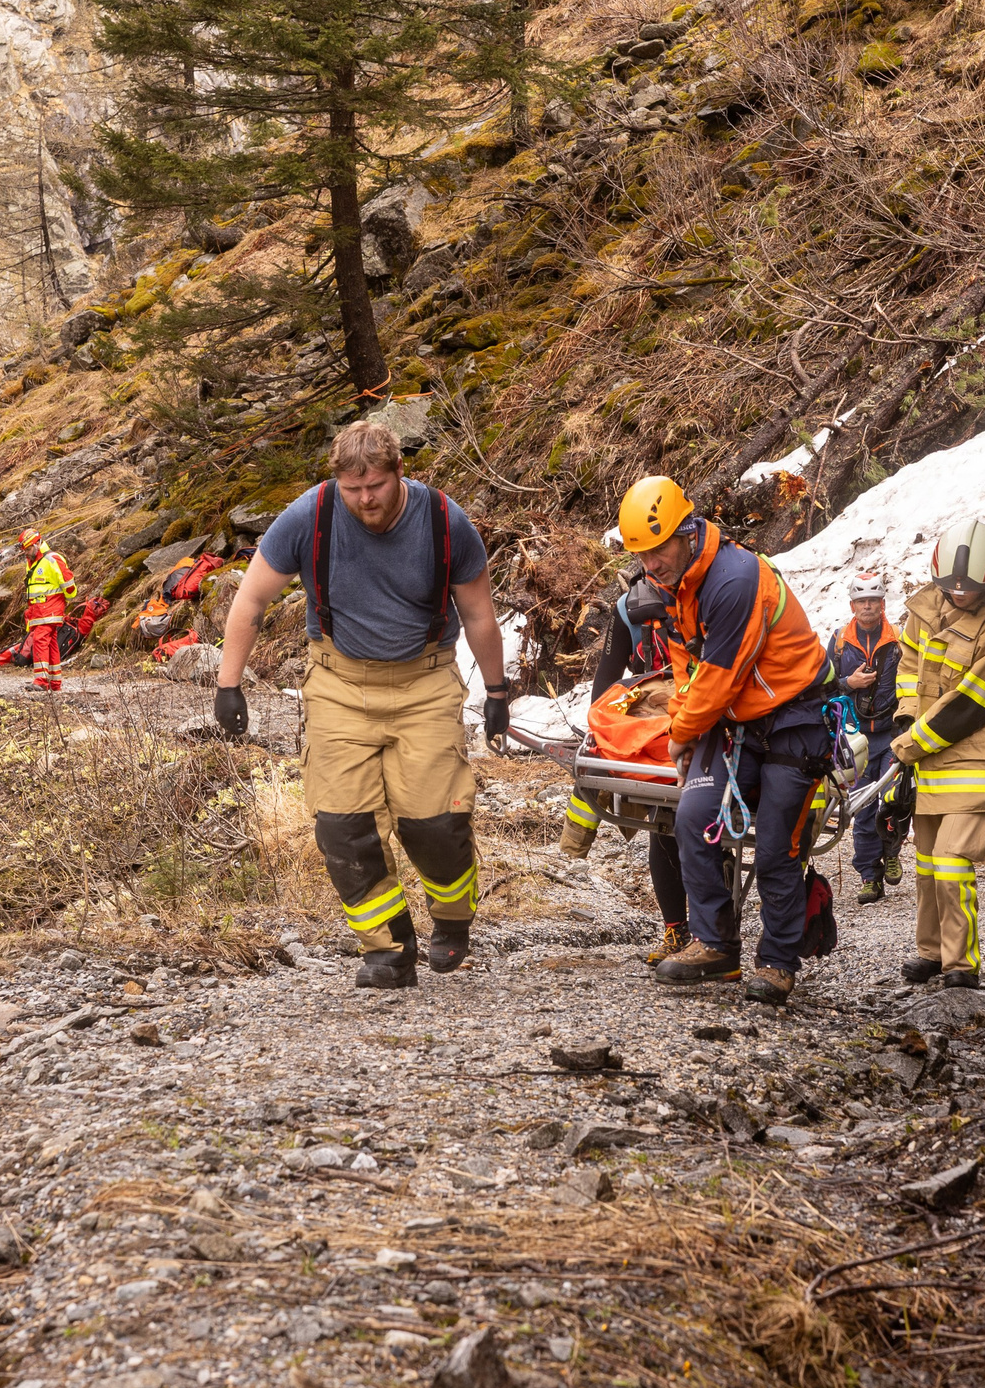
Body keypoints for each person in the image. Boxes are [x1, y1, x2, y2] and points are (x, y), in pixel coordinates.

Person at [213, 421, 506, 990]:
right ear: (338, 482)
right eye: (353, 489)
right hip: (339, 683)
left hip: (424, 683)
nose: (366, 499)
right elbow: (251, 598)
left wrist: (496, 692)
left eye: (376, 485)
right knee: (342, 826)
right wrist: (229, 684)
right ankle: (388, 949)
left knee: (434, 823)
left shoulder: (444, 522)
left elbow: (478, 615)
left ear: (400, 472)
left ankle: (452, 916)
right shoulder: (309, 516)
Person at [622, 475, 834, 1008]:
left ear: (686, 532)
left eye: (657, 550)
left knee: (776, 847)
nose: (651, 564)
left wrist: (681, 734)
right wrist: (684, 720)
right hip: (736, 724)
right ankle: (715, 944)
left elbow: (720, 677)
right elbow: (685, 666)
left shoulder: (734, 579)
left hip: (794, 718)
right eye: (641, 555)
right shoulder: (674, 586)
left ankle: (778, 961)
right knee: (692, 817)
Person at [892, 519, 985, 990]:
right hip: (928, 754)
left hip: (974, 758)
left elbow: (968, 707)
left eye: (970, 588)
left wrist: (910, 744)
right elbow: (910, 667)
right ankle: (932, 952)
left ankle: (961, 964)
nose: (960, 594)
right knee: (927, 864)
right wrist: (906, 717)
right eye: (952, 586)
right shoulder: (925, 609)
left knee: (951, 861)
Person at [558, 553, 692, 965]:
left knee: (688, 829)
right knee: (665, 830)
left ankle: (710, 933)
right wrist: (602, 733)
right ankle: (678, 929)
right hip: (657, 735)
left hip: (706, 721)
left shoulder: (716, 593)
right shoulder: (629, 609)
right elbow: (606, 682)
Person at [833, 570, 908, 903]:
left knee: (896, 801)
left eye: (873, 601)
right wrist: (849, 683)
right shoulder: (838, 642)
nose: (867, 606)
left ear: (882, 604)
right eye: (861, 601)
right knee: (862, 809)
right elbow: (823, 686)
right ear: (852, 605)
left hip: (892, 734)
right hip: (856, 740)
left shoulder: (900, 639)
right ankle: (869, 876)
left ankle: (891, 853)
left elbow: (914, 680)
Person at [19, 528, 75, 692]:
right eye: (25, 550)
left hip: (50, 608)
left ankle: (41, 680)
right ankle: (54, 682)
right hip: (39, 610)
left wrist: (63, 599)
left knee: (40, 640)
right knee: (51, 644)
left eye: (28, 549)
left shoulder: (52, 559)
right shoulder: (32, 561)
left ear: (37, 543)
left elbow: (69, 584)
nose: (26, 553)